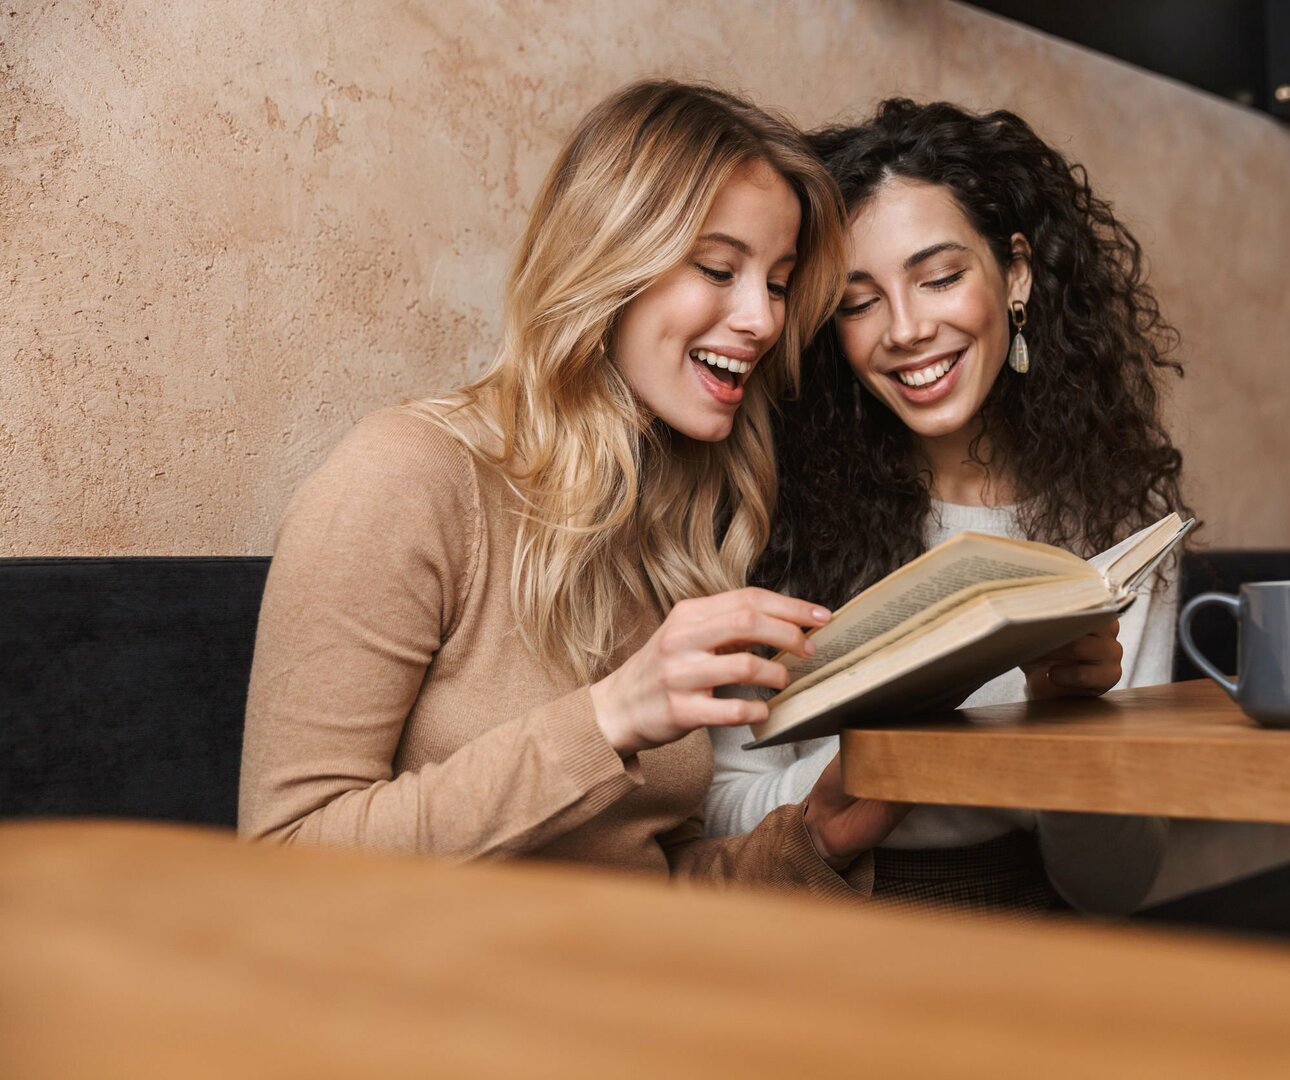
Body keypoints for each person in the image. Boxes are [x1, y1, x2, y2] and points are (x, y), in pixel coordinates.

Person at [238, 80, 908, 895]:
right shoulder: (409, 475)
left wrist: (811, 841)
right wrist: (607, 719)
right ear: (608, 257)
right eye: (718, 267)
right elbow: (284, 863)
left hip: (611, 998)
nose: (763, 321)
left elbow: (642, 884)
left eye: (775, 282)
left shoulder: (666, 529)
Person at [707, 99, 1191, 914]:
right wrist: (849, 789)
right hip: (819, 915)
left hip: (1034, 928)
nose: (905, 329)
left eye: (939, 278)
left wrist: (1064, 720)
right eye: (859, 302)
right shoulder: (772, 512)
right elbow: (716, 811)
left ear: (1018, 274)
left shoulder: (1116, 533)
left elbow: (1115, 887)